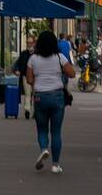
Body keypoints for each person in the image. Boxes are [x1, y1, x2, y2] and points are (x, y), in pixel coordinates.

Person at [26, 30, 75, 173]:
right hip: (57, 96)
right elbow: (72, 74)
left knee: (42, 129)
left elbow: (29, 80)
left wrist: (39, 80)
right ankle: (55, 164)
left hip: (40, 97)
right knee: (56, 131)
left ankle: (43, 149)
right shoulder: (60, 57)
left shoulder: (33, 59)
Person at [13, 35, 36, 119]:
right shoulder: (23, 54)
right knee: (27, 94)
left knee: (35, 95)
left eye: (30, 42)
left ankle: (36, 111)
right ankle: (27, 110)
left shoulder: (37, 54)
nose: (29, 44)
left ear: (34, 43)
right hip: (25, 76)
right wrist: (16, 70)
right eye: (27, 42)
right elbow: (17, 64)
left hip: (36, 77)